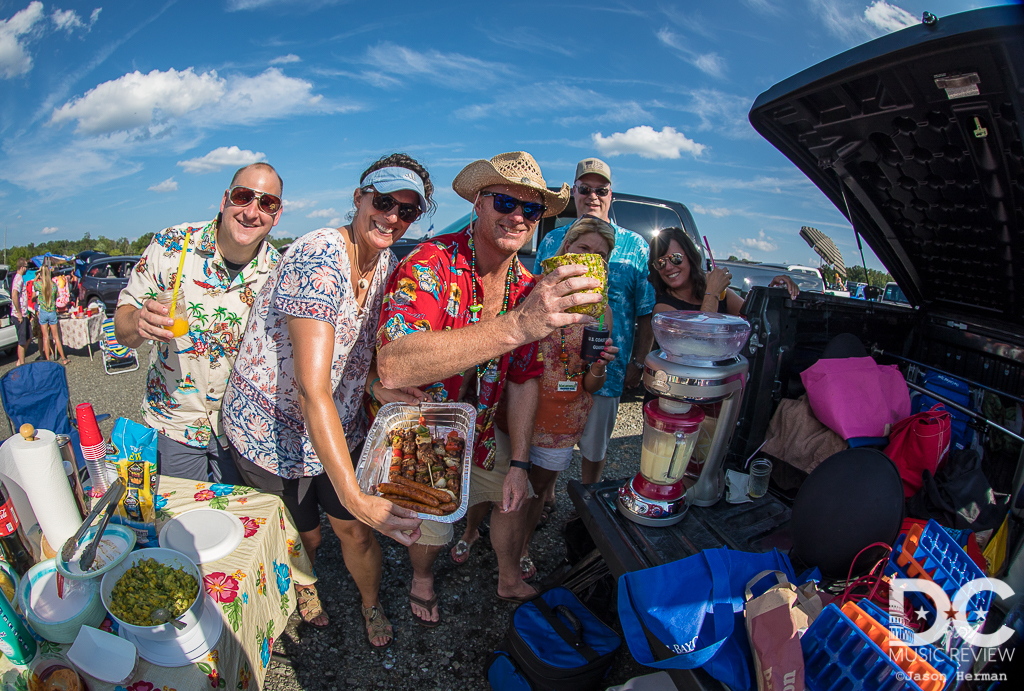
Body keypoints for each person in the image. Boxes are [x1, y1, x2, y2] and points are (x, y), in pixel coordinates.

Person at [376, 151, 601, 624]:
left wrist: (520, 461)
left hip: (482, 427)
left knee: (513, 498)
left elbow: (522, 379)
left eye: (531, 209)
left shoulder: (526, 285)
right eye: (504, 202)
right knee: (430, 528)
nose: (517, 216)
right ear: (479, 204)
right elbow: (394, 365)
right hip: (426, 429)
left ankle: (507, 574)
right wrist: (517, 326)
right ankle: (421, 579)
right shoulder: (432, 261)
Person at [221, 155, 431, 646]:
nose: (393, 218)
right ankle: (306, 585)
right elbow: (312, 387)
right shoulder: (320, 257)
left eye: (407, 212)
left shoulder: (387, 266)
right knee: (305, 533)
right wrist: (358, 495)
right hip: (269, 429)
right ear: (359, 198)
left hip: (336, 427)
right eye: (383, 202)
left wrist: (382, 388)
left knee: (355, 532)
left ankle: (369, 603)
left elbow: (359, 361)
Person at [115, 163, 285, 484]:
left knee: (236, 526)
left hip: (241, 432)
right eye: (243, 196)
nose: (252, 211)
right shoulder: (171, 245)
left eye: (267, 203)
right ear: (224, 201)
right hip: (173, 425)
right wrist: (138, 321)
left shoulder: (280, 272)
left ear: (276, 215)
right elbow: (122, 329)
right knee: (180, 527)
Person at [506, 216, 619, 579]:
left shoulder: (602, 313)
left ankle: (521, 547)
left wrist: (600, 366)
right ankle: (479, 533)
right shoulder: (529, 292)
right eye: (584, 248)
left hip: (562, 420)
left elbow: (590, 385)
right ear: (566, 248)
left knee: (536, 491)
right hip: (514, 411)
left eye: (600, 256)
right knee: (498, 484)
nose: (591, 258)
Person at [534, 157, 655, 488]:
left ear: (611, 194)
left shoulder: (636, 245)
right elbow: (533, 299)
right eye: (585, 189)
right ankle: (546, 497)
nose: (593, 196)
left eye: (600, 189)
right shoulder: (551, 240)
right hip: (554, 367)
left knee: (594, 447)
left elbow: (645, 309)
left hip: (608, 367)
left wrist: (639, 361)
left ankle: (588, 503)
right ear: (574, 193)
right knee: (550, 443)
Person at [648, 227, 798, 316]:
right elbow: (698, 342)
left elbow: (754, 319)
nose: (668, 267)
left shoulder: (722, 295)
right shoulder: (663, 309)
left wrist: (773, 291)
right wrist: (712, 294)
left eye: (675, 258)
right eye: (660, 262)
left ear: (691, 257)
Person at [34, 263, 69, 365]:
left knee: (45, 337)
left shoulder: (39, 284)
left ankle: (48, 360)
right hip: (52, 311)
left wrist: (37, 274)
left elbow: (33, 283)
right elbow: (57, 295)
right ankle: (63, 358)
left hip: (43, 312)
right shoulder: (53, 285)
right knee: (56, 337)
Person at [10, 258, 30, 366]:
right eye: (26, 266)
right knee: (22, 341)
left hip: (24, 313)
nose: (27, 269)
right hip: (19, 314)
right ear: (22, 267)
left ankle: (19, 360)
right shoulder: (18, 279)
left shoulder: (20, 278)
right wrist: (19, 313)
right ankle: (22, 363)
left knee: (29, 337)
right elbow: (14, 295)